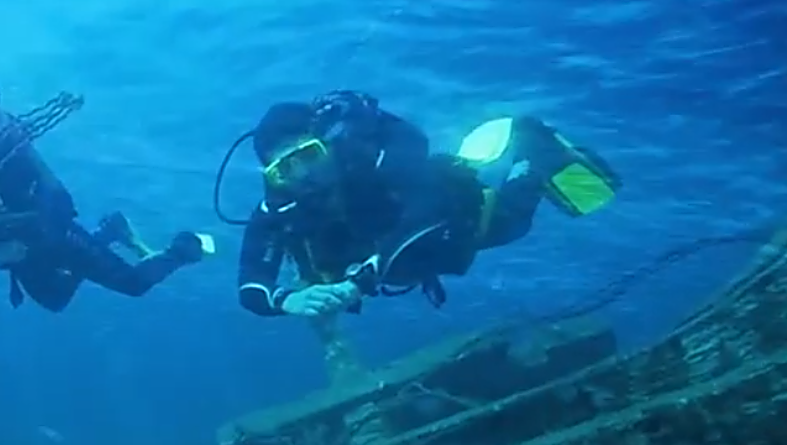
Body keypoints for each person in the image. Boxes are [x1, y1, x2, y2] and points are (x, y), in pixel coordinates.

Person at [214, 90, 620, 318]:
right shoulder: (280, 210)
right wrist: (289, 300)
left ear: (330, 144)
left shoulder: (377, 157)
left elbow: (424, 211)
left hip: (461, 226)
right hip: (405, 265)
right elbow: (251, 285)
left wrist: (359, 281)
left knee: (512, 222)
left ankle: (531, 155)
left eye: (308, 156)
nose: (304, 176)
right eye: (285, 170)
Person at [0, 76, 213, 312]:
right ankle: (110, 231)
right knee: (55, 300)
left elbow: (37, 205)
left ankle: (187, 247)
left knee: (133, 284)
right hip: (8, 248)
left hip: (51, 231)